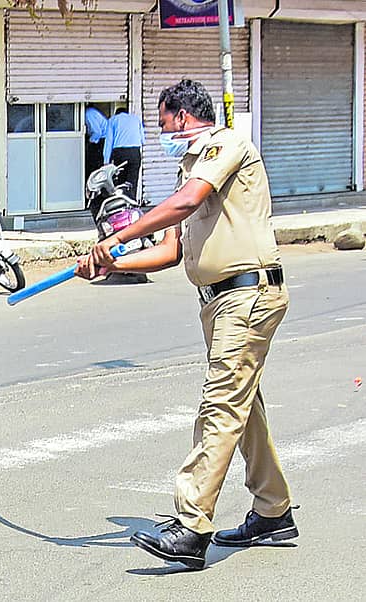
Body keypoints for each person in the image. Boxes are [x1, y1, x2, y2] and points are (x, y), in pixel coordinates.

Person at [79, 79, 296, 570]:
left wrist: (117, 236)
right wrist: (116, 265)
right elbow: (172, 250)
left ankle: (193, 525)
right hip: (220, 302)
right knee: (243, 407)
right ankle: (273, 509)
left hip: (248, 294)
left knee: (220, 404)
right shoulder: (190, 168)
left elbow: (183, 205)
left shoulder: (225, 145)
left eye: (161, 124)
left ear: (180, 116)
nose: (161, 134)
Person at [102, 107, 144, 198]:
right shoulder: (136, 119)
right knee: (133, 181)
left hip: (120, 153)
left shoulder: (113, 120)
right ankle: (132, 204)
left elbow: (109, 141)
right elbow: (143, 140)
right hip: (135, 152)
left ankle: (122, 204)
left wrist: (106, 161)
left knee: (121, 181)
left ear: (116, 113)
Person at [84, 105, 108, 180]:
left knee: (93, 165)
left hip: (101, 140)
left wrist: (89, 143)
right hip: (101, 139)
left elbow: (97, 132)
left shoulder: (88, 114)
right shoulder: (90, 111)